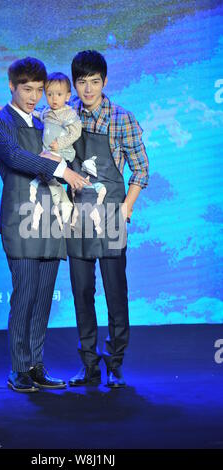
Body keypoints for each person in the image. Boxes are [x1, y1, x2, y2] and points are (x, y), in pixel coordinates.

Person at [0, 57, 89, 393]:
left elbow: (70, 136)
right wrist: (61, 170)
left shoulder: (47, 123)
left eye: (39, 90)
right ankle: (18, 369)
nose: (33, 96)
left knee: (43, 299)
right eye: (26, 89)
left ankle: (35, 366)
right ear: (12, 86)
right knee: (25, 296)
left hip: (52, 219)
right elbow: (15, 157)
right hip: (21, 219)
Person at [65, 50, 149, 388]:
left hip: (112, 212)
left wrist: (127, 207)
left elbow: (141, 169)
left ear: (105, 81)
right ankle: (89, 365)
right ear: (74, 83)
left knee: (116, 292)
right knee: (82, 292)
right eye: (82, 83)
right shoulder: (63, 113)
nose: (88, 89)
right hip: (76, 216)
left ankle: (115, 363)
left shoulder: (122, 118)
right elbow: (29, 116)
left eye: (94, 82)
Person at [31, 72, 82, 229]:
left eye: (59, 94)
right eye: (50, 94)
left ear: (67, 96)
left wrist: (60, 143)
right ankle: (64, 204)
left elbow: (76, 131)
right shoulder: (47, 111)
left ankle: (66, 205)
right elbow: (39, 115)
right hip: (47, 152)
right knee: (47, 179)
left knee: (46, 174)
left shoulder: (68, 113)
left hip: (61, 153)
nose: (54, 99)